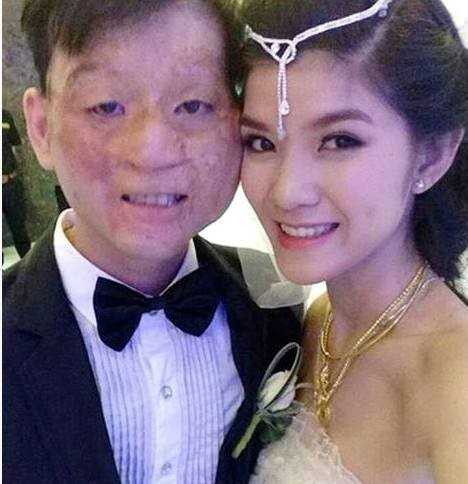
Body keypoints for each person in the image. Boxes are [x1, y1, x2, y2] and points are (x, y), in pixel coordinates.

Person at [2, 1, 302, 483]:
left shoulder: (278, 304)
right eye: (106, 106)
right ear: (41, 128)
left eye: (193, 105)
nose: (152, 151)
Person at [233, 0, 468, 481]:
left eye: (340, 141)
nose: (287, 192)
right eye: (261, 143)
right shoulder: (316, 321)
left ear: (431, 155)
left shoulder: (456, 376)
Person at [2, 108, 32, 258]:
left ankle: (28, 265)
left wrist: (14, 173)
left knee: (19, 228)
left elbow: (15, 146)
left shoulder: (5, 115)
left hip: (10, 184)